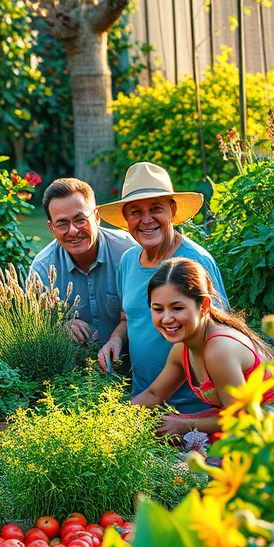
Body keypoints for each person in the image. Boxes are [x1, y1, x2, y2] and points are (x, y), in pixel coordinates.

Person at [96, 162, 228, 414]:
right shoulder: (127, 261)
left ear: (172, 210)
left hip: (193, 410)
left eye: (156, 208)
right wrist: (115, 339)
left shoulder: (195, 262)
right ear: (126, 218)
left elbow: (219, 335)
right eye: (135, 212)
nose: (146, 220)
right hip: (145, 403)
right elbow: (128, 317)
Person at [130, 258, 274, 438]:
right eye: (158, 309)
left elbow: (241, 419)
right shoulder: (182, 349)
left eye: (177, 308)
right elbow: (153, 394)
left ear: (204, 306)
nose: (167, 318)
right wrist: (114, 420)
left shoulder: (219, 350)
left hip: (272, 429)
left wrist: (186, 424)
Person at [30, 177, 137, 346]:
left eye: (80, 220)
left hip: (130, 359)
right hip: (72, 367)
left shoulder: (129, 252)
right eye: (62, 224)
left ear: (96, 217)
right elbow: (34, 326)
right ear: (51, 229)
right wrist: (59, 327)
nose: (73, 231)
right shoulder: (42, 269)